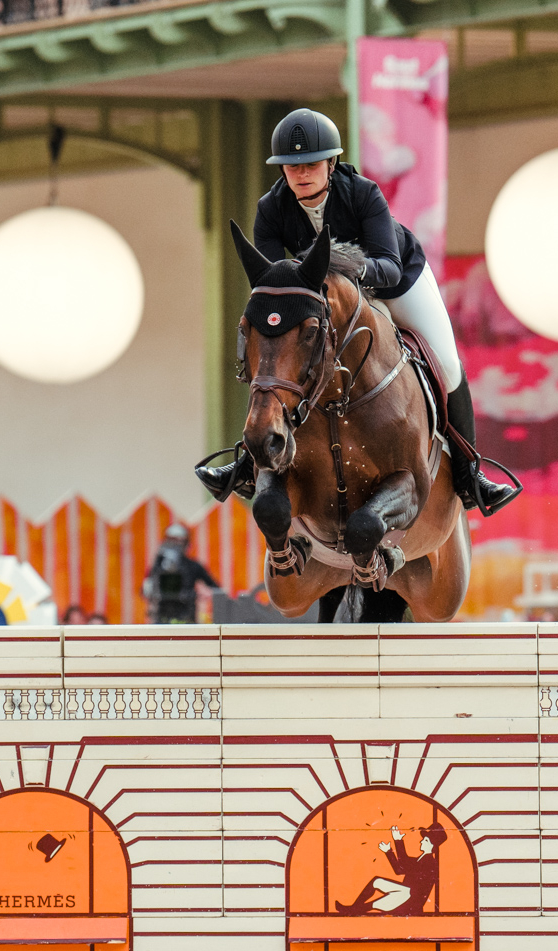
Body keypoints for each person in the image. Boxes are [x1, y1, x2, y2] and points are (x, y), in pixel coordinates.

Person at [195, 108, 519, 517]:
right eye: (292, 167)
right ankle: (249, 460)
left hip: (395, 284)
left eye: (312, 164)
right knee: (277, 354)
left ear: (331, 164)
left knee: (448, 364)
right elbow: (275, 283)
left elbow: (389, 266)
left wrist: (345, 270)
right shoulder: (271, 208)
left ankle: (471, 473)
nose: (302, 174)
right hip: (327, 299)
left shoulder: (363, 194)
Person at [141, 523, 217, 624]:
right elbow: (145, 590)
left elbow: (216, 588)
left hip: (186, 617)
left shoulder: (192, 566)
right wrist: (150, 588)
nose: (175, 544)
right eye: (172, 540)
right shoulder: (159, 566)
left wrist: (206, 594)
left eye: (179, 541)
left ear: (186, 543)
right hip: (162, 618)